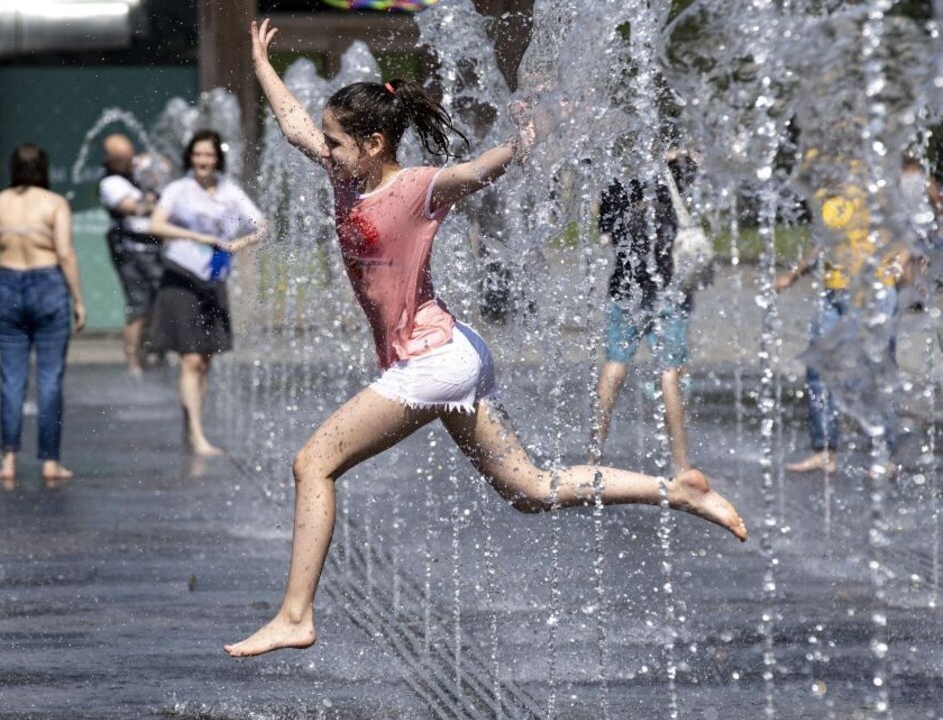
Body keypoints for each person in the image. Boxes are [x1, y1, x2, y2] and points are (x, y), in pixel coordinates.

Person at [225, 19, 747, 659]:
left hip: (433, 360)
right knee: (529, 490)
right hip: (448, 352)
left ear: (374, 143)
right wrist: (260, 66)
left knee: (313, 463)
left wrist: (524, 142)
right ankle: (678, 489)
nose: (324, 152)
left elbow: (476, 170)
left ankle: (295, 615)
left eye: (337, 144)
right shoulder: (347, 176)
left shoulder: (413, 188)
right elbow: (298, 127)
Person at [775, 154, 913, 477]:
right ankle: (824, 450)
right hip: (833, 292)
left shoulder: (871, 189)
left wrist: (900, 262)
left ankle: (885, 456)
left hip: (872, 291)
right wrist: (791, 276)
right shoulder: (825, 196)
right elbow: (823, 243)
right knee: (817, 368)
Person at [147, 129, 267, 457]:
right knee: (190, 358)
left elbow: (261, 224)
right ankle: (198, 435)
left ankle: (191, 426)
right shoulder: (178, 190)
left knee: (206, 360)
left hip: (214, 280)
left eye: (210, 155)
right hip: (181, 278)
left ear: (218, 159)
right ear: (190, 157)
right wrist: (199, 238)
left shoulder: (229, 191)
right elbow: (155, 226)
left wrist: (238, 244)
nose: (203, 161)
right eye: (198, 155)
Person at [0, 143, 87, 489]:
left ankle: (8, 459)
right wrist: (78, 300)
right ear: (43, 168)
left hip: (8, 285)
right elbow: (66, 254)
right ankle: (51, 462)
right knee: (50, 379)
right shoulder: (54, 204)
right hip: (48, 283)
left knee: (11, 379)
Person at [591, 152, 698, 475]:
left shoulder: (616, 183)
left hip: (624, 287)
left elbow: (605, 236)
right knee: (670, 372)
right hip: (667, 287)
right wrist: (682, 158)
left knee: (614, 365)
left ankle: (593, 457)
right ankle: (681, 466)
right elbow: (692, 180)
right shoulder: (667, 176)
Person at [99, 134, 164, 378]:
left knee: (159, 304)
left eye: (130, 157)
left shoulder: (136, 170)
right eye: (122, 159)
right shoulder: (110, 184)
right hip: (131, 252)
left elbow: (164, 167)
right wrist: (162, 206)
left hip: (155, 249)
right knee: (139, 307)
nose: (129, 163)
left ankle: (153, 353)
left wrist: (154, 164)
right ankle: (133, 363)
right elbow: (135, 208)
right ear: (111, 160)